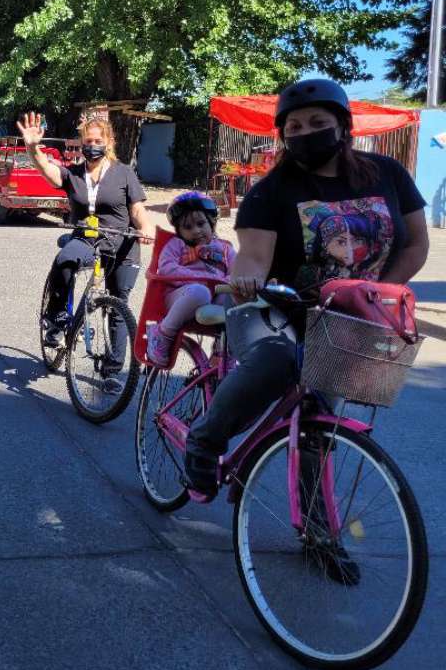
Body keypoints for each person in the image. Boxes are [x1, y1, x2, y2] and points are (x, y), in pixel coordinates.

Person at [184, 78, 429, 504]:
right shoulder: (270, 191)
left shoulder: (388, 175)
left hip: (345, 317)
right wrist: (246, 279)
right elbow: (254, 256)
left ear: (343, 126)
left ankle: (316, 532)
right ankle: (204, 440)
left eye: (316, 122)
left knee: (320, 428)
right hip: (272, 306)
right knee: (278, 358)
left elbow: (416, 244)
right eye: (292, 127)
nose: (304, 133)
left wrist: (376, 293)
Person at [18, 112, 153, 387]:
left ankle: (113, 372)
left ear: (108, 142)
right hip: (87, 239)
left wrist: (147, 227)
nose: (92, 145)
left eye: (97, 140)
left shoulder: (124, 173)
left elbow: (137, 209)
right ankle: (56, 319)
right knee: (65, 259)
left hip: (121, 244)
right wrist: (33, 148)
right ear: (81, 143)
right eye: (87, 140)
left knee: (119, 305)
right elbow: (48, 170)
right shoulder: (74, 174)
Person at [145, 191, 235, 365]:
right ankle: (162, 334)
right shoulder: (177, 244)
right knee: (199, 292)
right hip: (182, 296)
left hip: (214, 302)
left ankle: (223, 348)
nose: (196, 230)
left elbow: (238, 271)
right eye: (188, 227)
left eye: (201, 223)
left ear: (212, 222)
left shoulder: (225, 249)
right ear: (179, 231)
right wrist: (200, 278)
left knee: (232, 295)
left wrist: (236, 280)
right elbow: (166, 268)